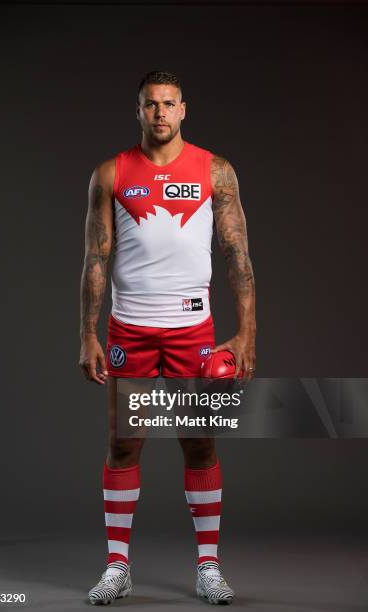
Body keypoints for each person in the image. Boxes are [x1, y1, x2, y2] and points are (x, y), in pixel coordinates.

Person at [79, 70, 256, 605]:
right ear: (138, 111)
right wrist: (87, 331)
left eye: (168, 104)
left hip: (192, 332)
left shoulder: (216, 171)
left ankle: (208, 566)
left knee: (199, 443)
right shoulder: (110, 173)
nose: (159, 113)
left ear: (184, 109)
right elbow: (96, 257)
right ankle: (117, 567)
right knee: (123, 443)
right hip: (129, 327)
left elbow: (237, 254)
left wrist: (248, 330)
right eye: (150, 105)